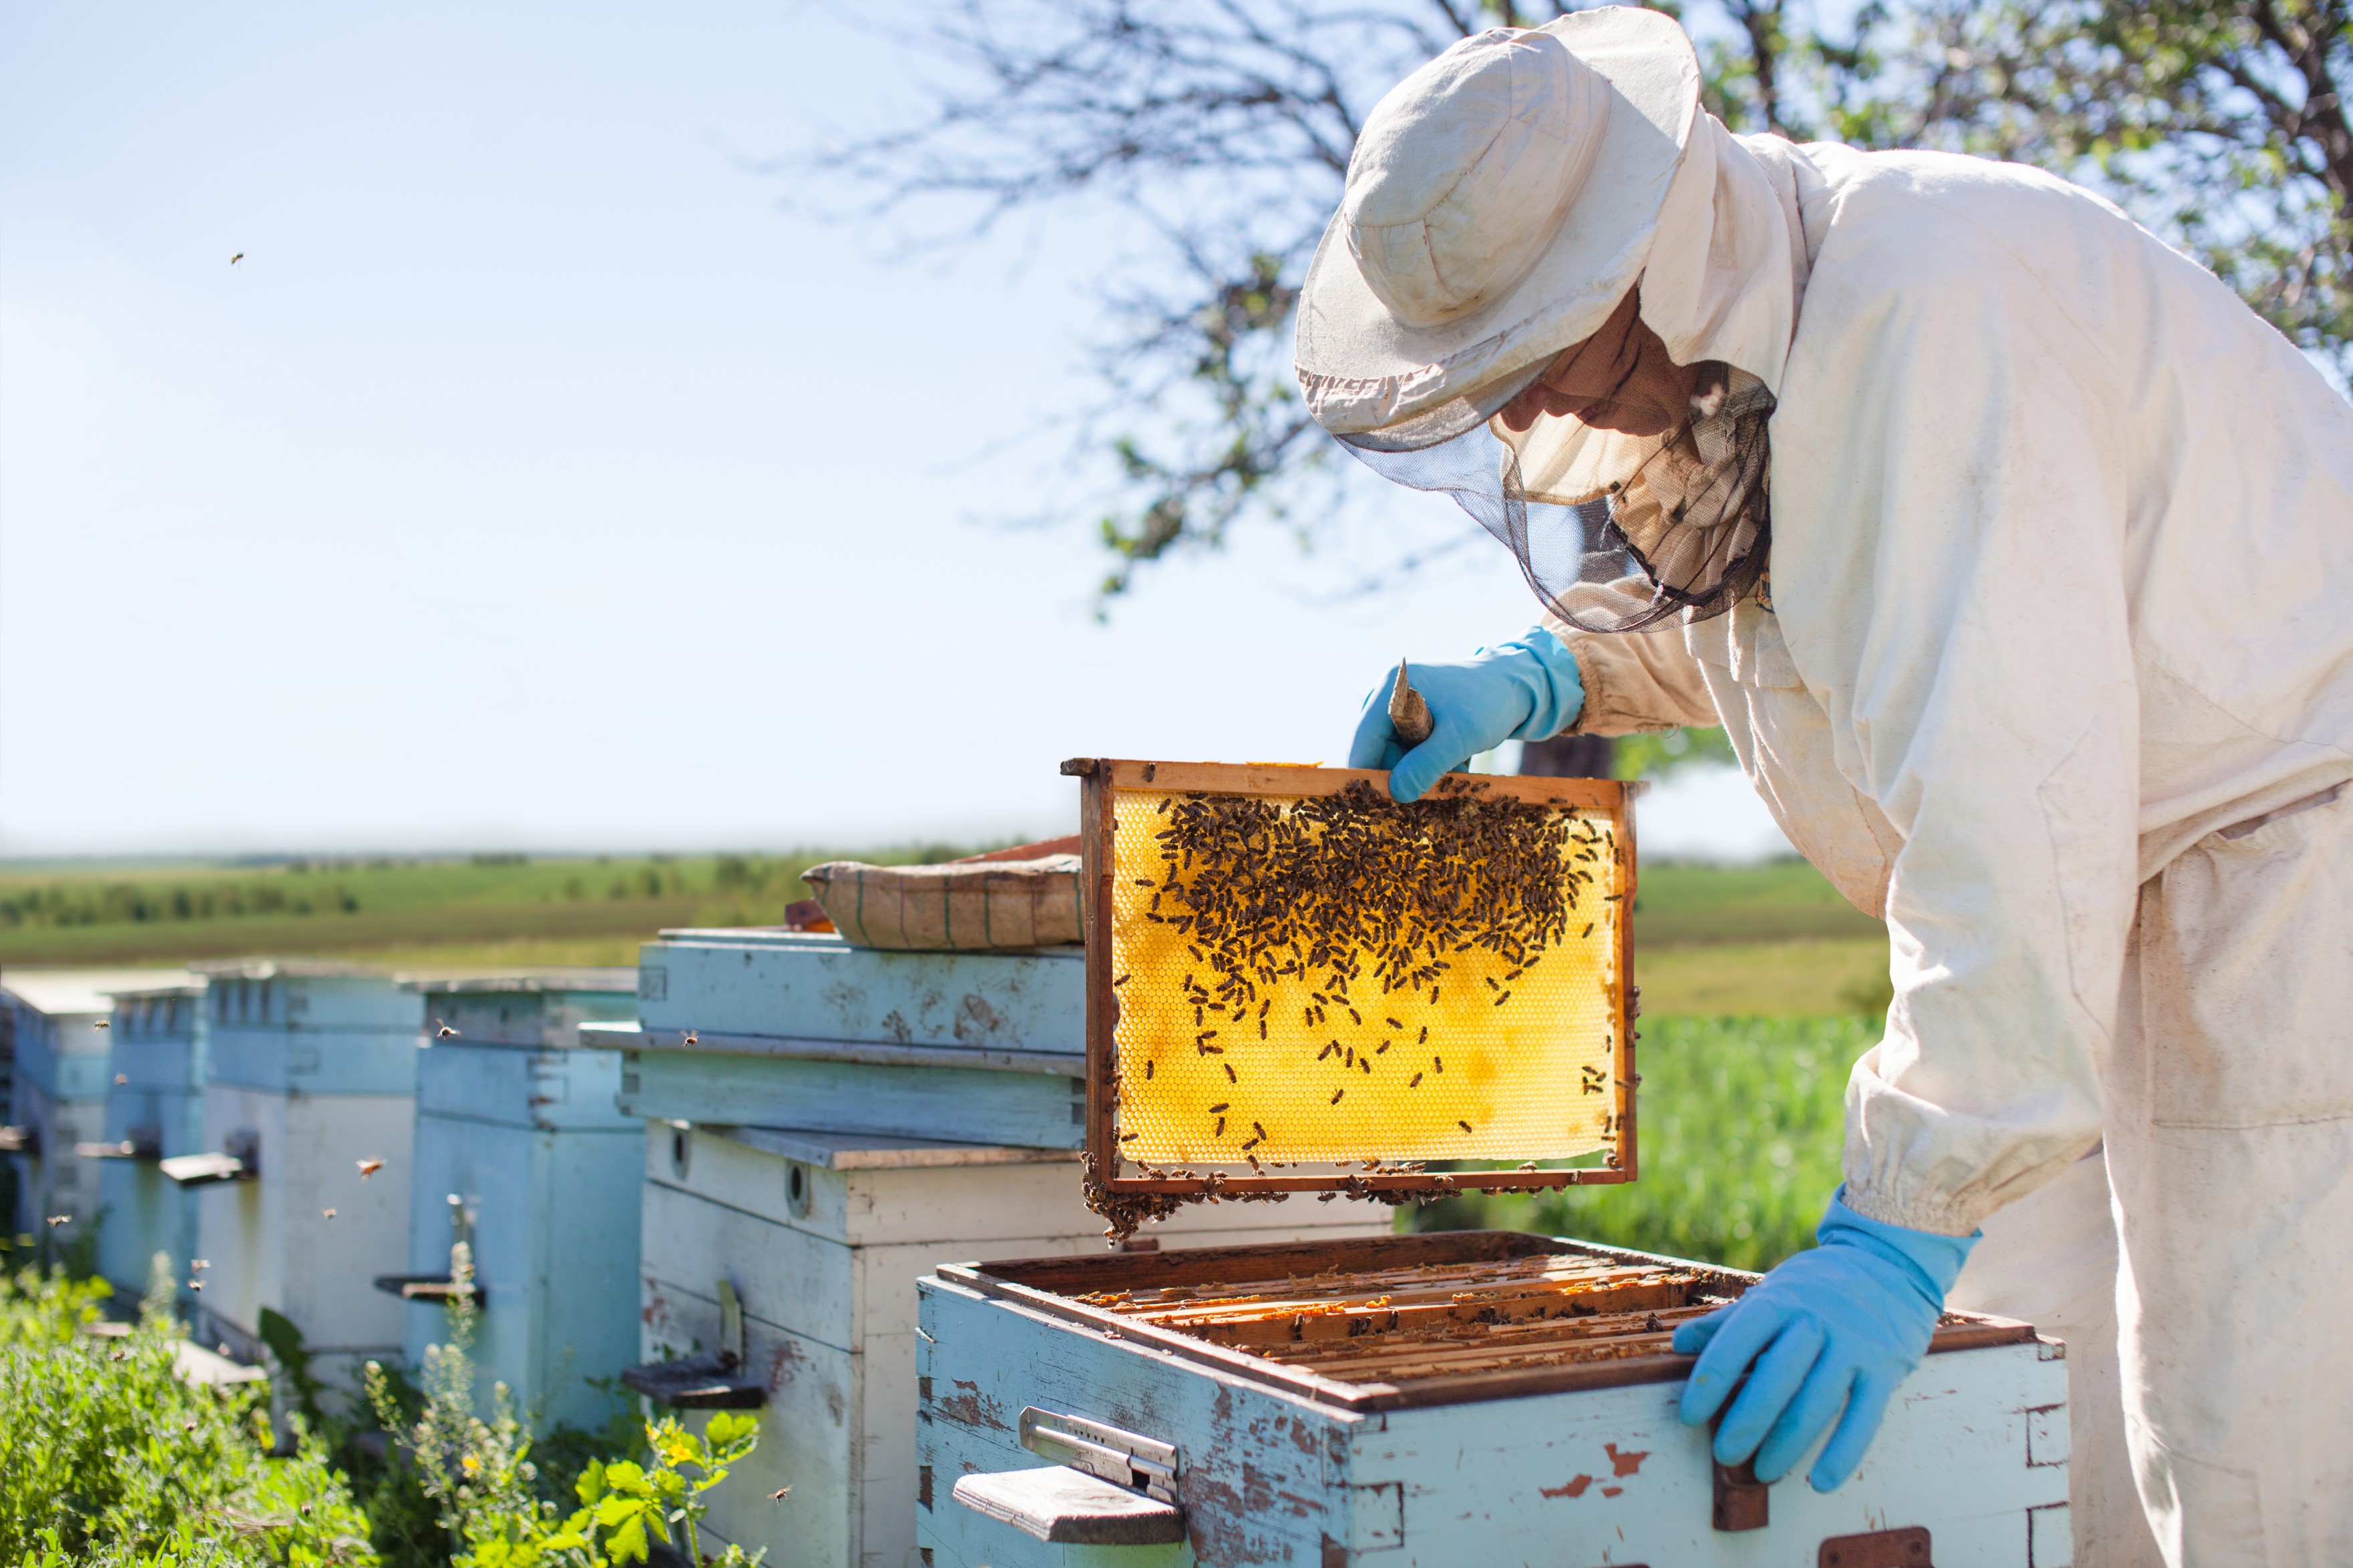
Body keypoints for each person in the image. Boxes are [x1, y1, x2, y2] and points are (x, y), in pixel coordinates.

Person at [1294, 11, 2352, 1567]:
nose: (1519, 419)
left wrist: (1888, 1230)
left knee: (2252, 1446)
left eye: (1532, 359)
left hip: (2278, 868)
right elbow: (1803, 624)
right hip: (2100, 893)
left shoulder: (1924, 309)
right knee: (2032, 1398)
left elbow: (2010, 774)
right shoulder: (1754, 344)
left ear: (1639, 265)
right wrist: (1547, 675)